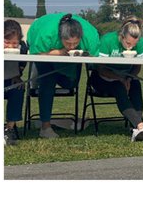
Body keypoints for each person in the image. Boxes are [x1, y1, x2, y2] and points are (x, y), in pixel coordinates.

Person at [25, 11, 100, 139]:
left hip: (70, 60)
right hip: (42, 45)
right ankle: (45, 126)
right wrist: (58, 52)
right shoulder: (46, 34)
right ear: (60, 37)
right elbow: (35, 53)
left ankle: (49, 75)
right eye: (68, 43)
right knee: (48, 79)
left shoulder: (90, 36)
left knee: (71, 83)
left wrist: (83, 54)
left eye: (75, 43)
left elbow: (96, 59)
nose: (71, 46)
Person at [93, 19, 143, 142]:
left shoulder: (139, 43)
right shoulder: (108, 40)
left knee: (136, 85)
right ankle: (140, 126)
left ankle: (135, 128)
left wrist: (129, 78)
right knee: (118, 87)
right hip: (102, 78)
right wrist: (119, 78)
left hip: (125, 76)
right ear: (121, 36)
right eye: (128, 43)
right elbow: (100, 68)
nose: (130, 47)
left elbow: (137, 66)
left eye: (133, 44)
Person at [4, 18, 28, 146]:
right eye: (7, 42)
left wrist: (18, 75)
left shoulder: (23, 48)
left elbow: (22, 65)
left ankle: (9, 128)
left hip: (10, 80)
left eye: (14, 43)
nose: (10, 46)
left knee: (19, 88)